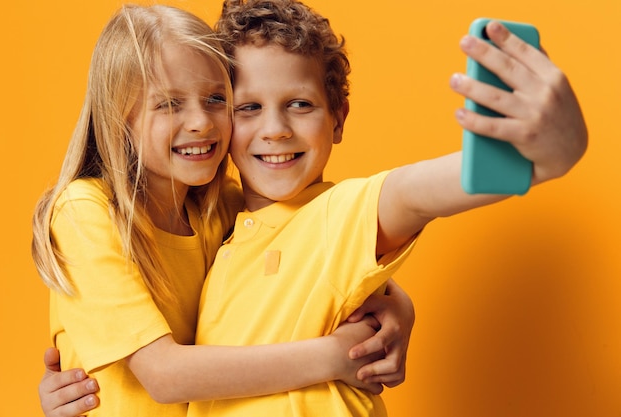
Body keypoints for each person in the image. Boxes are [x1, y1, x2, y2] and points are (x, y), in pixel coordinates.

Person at [182, 0, 587, 416]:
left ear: (338, 120)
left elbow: (416, 191)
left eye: (300, 104)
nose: (275, 130)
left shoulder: (343, 213)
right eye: (249, 108)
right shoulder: (209, 222)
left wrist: (552, 154)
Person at [32, 4, 415, 417]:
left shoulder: (221, 210)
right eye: (169, 104)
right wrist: (334, 357)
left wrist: (398, 309)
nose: (200, 122)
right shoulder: (85, 212)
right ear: (117, 117)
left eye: (216, 98)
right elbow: (164, 376)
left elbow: (320, 250)